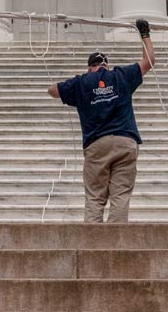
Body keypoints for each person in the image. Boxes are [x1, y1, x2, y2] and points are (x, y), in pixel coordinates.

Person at [49, 19, 155, 222]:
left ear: (91, 68)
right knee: (120, 196)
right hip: (125, 141)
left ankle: (93, 246)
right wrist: (144, 34)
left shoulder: (81, 82)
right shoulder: (121, 75)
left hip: (97, 144)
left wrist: (78, 88)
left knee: (95, 198)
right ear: (106, 65)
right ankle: (115, 245)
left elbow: (52, 90)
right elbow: (149, 60)